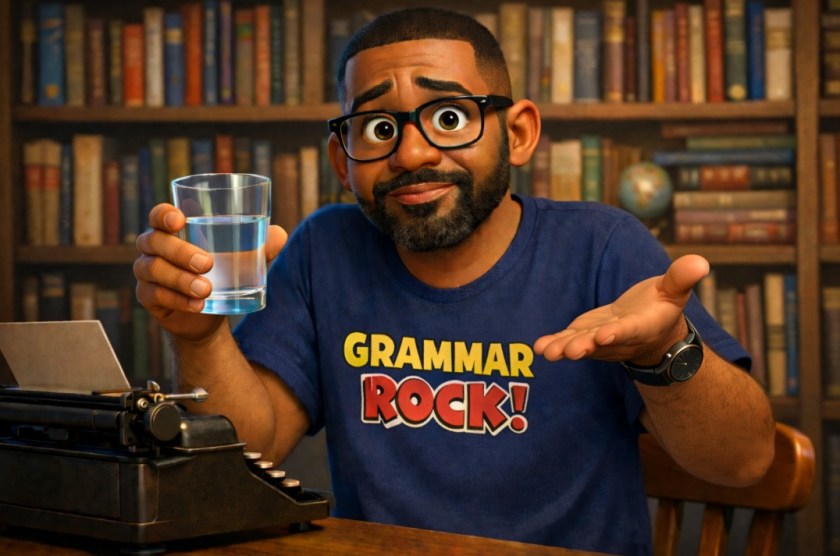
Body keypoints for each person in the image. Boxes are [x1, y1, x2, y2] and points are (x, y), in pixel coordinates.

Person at [134, 7, 775, 555]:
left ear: (516, 132)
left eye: (447, 117)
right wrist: (200, 334)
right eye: (379, 128)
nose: (410, 155)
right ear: (342, 159)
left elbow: (743, 462)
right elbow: (253, 451)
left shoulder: (602, 247)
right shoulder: (324, 249)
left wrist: (664, 354)